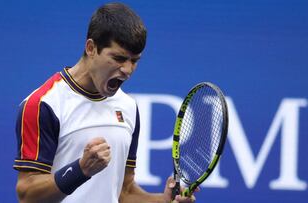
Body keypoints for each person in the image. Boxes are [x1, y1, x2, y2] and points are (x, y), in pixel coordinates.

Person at [13, 2, 198, 203]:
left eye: (134, 60)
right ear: (91, 48)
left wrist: (163, 201)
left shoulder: (128, 107)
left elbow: (124, 191)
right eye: (119, 58)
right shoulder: (43, 104)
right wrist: (80, 169)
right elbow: (27, 195)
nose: (127, 70)